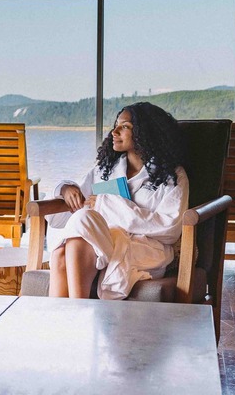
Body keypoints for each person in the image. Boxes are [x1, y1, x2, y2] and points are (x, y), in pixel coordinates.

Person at [47, 101, 189, 299]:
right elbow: (59, 220)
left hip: (146, 250)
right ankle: (74, 316)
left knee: (66, 247)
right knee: (78, 226)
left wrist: (107, 204)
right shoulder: (104, 171)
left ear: (145, 132)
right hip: (103, 245)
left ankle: (72, 315)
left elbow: (170, 229)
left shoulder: (172, 176)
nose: (114, 132)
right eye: (116, 125)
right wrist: (64, 188)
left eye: (124, 127)